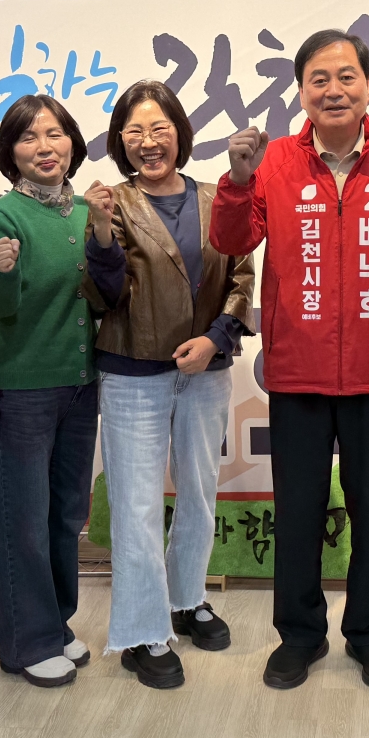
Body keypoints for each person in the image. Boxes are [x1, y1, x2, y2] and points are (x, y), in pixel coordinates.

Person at [211, 29, 369, 691]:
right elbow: (231, 239)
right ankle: (299, 635)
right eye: (319, 78)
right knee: (298, 511)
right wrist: (236, 180)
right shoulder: (274, 163)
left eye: (347, 76)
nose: (334, 89)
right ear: (300, 91)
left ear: (368, 86)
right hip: (299, 370)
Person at [88, 80, 256, 688]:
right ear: (120, 142)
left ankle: (187, 599)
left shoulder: (217, 197)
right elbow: (103, 294)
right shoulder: (111, 203)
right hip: (132, 371)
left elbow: (242, 274)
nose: (148, 141)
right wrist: (100, 232)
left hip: (206, 370)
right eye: (134, 131)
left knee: (199, 492)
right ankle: (141, 632)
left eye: (159, 128)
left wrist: (215, 338)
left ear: (180, 133)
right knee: (136, 506)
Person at [0, 94, 112, 686]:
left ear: (73, 143)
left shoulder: (84, 213)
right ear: (11, 152)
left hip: (79, 386)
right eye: (28, 137)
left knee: (65, 514)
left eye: (54, 134)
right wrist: (3, 272)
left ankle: (54, 623)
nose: (45, 148)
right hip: (20, 389)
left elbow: (105, 292)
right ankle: (25, 642)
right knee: (20, 520)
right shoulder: (2, 216)